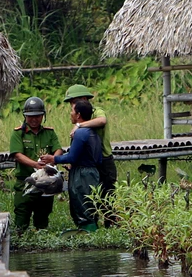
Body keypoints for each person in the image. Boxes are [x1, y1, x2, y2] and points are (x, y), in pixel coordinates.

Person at [40, 99, 101, 232]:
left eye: (72, 111)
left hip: (82, 175)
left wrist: (53, 158)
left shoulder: (80, 133)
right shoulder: (92, 132)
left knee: (82, 206)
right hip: (92, 172)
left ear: (78, 115)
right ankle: (92, 233)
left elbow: (72, 156)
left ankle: (87, 234)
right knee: (90, 205)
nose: (70, 113)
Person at [63, 84, 118, 227]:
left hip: (103, 160)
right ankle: (91, 225)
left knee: (107, 194)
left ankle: (110, 225)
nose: (72, 106)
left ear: (83, 99)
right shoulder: (78, 120)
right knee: (86, 196)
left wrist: (81, 125)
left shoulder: (96, 112)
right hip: (87, 163)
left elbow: (102, 121)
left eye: (73, 102)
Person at [9, 96, 63, 232]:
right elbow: (17, 154)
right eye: (30, 116)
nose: (34, 119)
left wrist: (52, 160)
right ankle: (20, 241)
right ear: (25, 116)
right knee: (21, 216)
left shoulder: (49, 133)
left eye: (37, 116)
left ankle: (41, 238)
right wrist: (35, 164)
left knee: (43, 216)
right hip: (24, 182)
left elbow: (58, 149)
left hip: (45, 184)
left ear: (43, 116)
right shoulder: (18, 134)